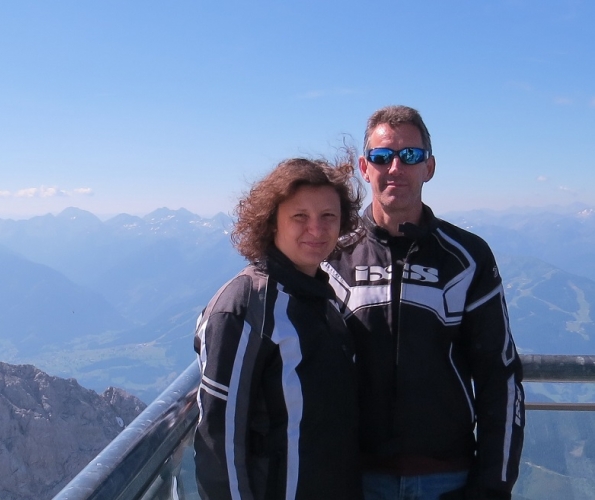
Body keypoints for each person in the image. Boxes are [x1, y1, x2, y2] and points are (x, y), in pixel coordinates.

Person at [322, 105, 525, 500]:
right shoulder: (332, 255)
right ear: (365, 168)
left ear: (429, 167)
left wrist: (492, 486)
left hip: (449, 478)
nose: (395, 167)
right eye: (382, 156)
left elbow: (499, 375)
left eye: (410, 155)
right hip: (352, 478)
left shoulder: (467, 257)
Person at [193, 153, 365, 500]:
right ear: (272, 222)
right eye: (300, 216)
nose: (316, 229)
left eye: (328, 216)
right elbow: (219, 442)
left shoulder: (322, 298)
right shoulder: (245, 307)